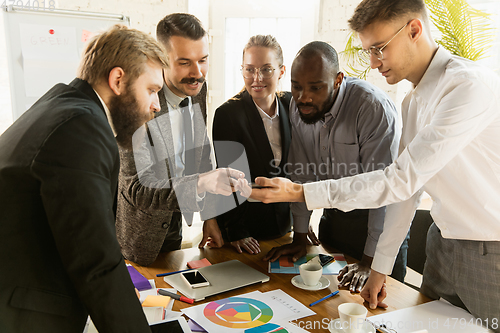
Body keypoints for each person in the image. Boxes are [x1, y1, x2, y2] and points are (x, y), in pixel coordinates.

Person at [251, 0, 500, 329]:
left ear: (414, 30)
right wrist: (380, 268)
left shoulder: (468, 86)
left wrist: (299, 192)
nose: (372, 62)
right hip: (443, 244)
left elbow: (397, 180)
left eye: (379, 48)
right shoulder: (412, 101)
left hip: (490, 252)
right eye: (369, 50)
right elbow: (406, 194)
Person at [0, 25, 167, 332]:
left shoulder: (59, 105)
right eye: (152, 90)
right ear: (118, 80)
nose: (156, 105)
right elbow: (96, 261)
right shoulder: (82, 127)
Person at [262, 41, 408, 291]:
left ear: (338, 80)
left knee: (377, 316)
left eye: (316, 88)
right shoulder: (300, 108)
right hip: (333, 222)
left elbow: (383, 192)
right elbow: (302, 172)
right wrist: (299, 237)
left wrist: (370, 262)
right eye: (296, 87)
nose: (303, 97)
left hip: (379, 231)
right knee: (325, 302)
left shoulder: (372, 109)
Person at [116, 13, 245, 266]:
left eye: (203, 60)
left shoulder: (196, 87)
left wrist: (210, 216)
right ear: (161, 60)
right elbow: (137, 191)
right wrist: (201, 183)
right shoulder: (135, 102)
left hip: (174, 223)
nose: (197, 73)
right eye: (185, 62)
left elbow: (201, 151)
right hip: (139, 238)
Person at [212, 35, 296, 254]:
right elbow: (227, 177)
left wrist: (303, 225)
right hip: (246, 230)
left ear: (281, 71)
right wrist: (236, 232)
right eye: (249, 69)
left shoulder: (291, 105)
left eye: (266, 69)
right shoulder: (228, 114)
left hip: (287, 226)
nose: (257, 78)